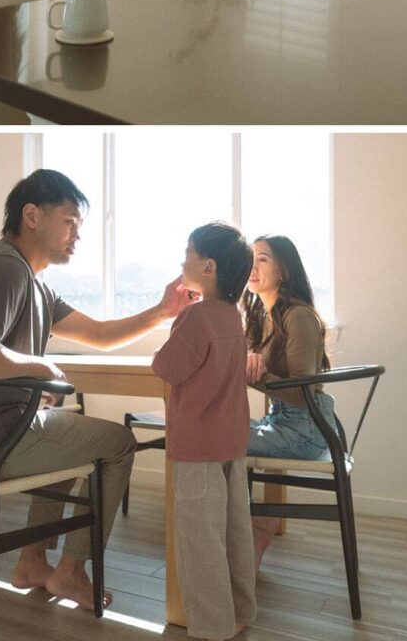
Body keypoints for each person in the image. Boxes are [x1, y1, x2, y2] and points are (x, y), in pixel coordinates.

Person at [0, 168, 195, 611]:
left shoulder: (34, 284)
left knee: (72, 435)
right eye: (69, 221)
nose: (77, 235)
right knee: (119, 445)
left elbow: (101, 334)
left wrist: (163, 310)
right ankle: (71, 572)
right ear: (32, 215)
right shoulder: (1, 269)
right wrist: (41, 366)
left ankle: (31, 562)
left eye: (79, 226)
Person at [152, 222, 257, 641]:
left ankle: (213, 627)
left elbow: (165, 367)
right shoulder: (232, 316)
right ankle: (240, 610)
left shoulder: (196, 318)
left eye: (188, 254)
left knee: (200, 540)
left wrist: (175, 319)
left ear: (208, 267)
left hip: (197, 446)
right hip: (231, 442)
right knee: (234, 532)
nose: (183, 261)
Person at [241, 235, 339, 570]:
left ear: (284, 269)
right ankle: (247, 529)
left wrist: (256, 377)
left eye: (263, 259)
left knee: (217, 441)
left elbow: (303, 393)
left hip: (306, 429)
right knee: (214, 433)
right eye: (250, 258)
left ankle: (252, 529)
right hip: (280, 422)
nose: (253, 266)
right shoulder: (261, 316)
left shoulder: (298, 316)